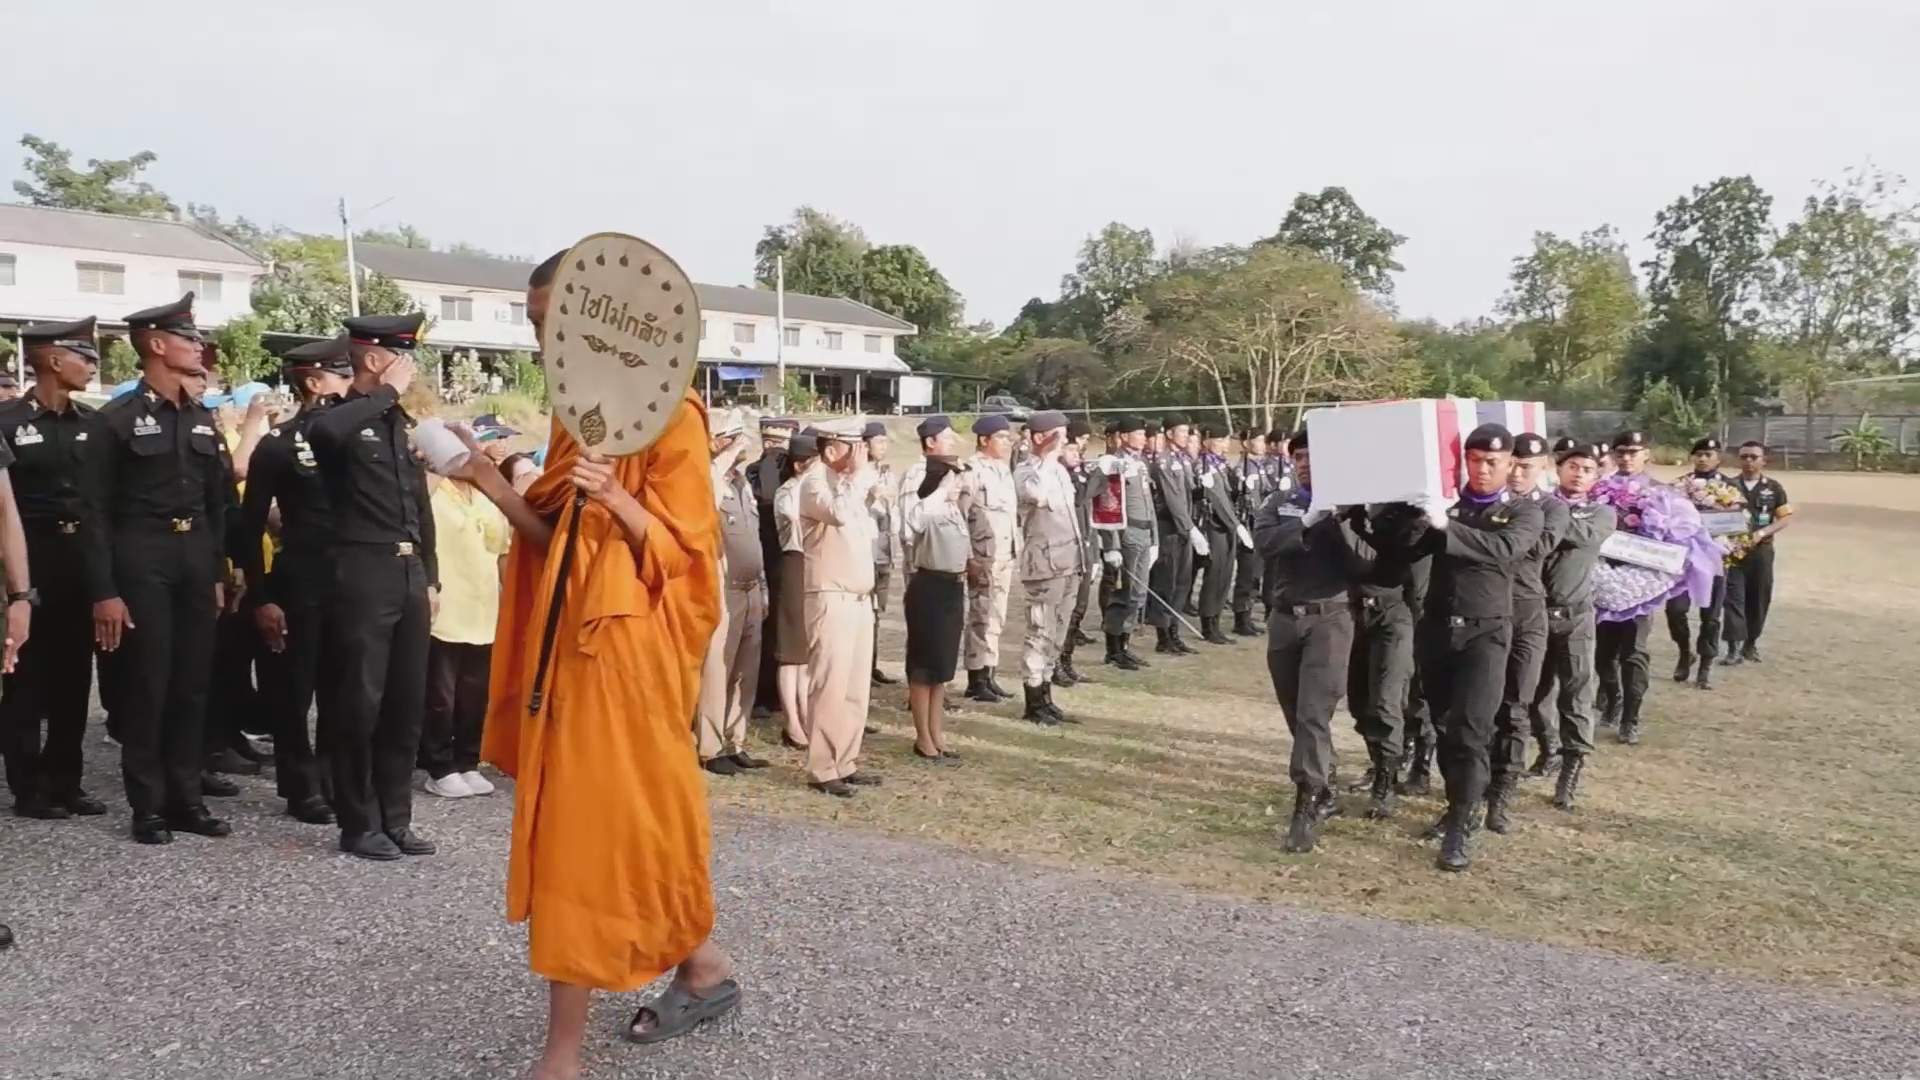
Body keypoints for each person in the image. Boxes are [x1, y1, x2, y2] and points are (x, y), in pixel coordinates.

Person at [474, 252, 738, 1073]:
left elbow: (692, 561)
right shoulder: (574, 419)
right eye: (531, 320)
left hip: (628, 658)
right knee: (616, 829)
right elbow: (560, 549)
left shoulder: (672, 418)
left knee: (589, 836)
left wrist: (622, 501)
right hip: (571, 653)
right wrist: (491, 483)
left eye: (550, 316)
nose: (540, 334)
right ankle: (703, 966)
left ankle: (562, 1055)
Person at [83, 295, 231, 845]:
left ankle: (186, 799)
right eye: (188, 338)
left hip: (193, 559)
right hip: (141, 559)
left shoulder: (200, 417)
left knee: (194, 684)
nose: (199, 347)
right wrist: (104, 590)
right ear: (156, 345)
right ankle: (148, 807)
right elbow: (92, 511)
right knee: (149, 684)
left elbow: (216, 503)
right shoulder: (116, 420)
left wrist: (217, 570)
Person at [307, 311, 437, 861]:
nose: (412, 368)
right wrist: (384, 392)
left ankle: (396, 818)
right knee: (359, 701)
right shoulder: (341, 418)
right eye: (403, 356)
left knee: (405, 705)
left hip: (407, 574)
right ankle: (357, 822)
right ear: (375, 358)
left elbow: (418, 504)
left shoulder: (397, 423)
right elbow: (321, 433)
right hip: (361, 571)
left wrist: (431, 574)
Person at [232, 336, 352, 826]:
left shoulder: (357, 437)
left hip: (351, 580)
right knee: (293, 688)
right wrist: (260, 596)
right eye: (342, 375)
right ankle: (300, 785)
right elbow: (249, 522)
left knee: (342, 688)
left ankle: (331, 778)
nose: (350, 384)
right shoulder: (279, 445)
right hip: (300, 578)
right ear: (314, 381)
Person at [1414, 423, 1543, 872]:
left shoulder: (1523, 513)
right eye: (1474, 460)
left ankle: (1461, 826)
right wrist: (1400, 513)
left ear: (1510, 464)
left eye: (1493, 461)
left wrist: (1445, 526)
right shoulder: (1447, 503)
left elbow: (1503, 550)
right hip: (1436, 629)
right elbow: (1407, 551)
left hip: (1486, 633)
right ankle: (1457, 802)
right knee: (1444, 726)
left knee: (1471, 730)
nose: (1483, 469)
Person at [1, 318, 102, 819]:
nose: (92, 366)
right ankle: (28, 783)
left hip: (77, 557)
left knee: (72, 674)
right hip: (28, 556)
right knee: (25, 676)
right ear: (54, 360)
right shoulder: (9, 422)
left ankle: (67, 778)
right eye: (84, 356)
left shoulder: (91, 423)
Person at [1252, 427, 1362, 853]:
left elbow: (1363, 560)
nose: (1304, 462)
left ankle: (1306, 803)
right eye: (1298, 456)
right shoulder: (1280, 503)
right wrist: (1307, 522)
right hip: (1285, 618)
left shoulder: (1349, 509)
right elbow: (1265, 543)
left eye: (1313, 455)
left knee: (1314, 713)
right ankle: (1326, 777)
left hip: (1330, 619)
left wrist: (1335, 520)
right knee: (1295, 712)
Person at [419, 426, 511, 799]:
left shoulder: (483, 493)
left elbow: (502, 546)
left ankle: (467, 761)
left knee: (475, 694)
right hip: (444, 607)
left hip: (483, 605)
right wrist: (437, 467)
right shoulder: (430, 488)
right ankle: (438, 766)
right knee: (440, 695)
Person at [1528, 442, 1614, 810]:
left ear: (1597, 476)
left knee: (1576, 692)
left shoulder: (1603, 512)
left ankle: (1571, 766)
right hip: (1534, 613)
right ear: (1557, 468)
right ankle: (1548, 750)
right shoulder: (1538, 506)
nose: (1578, 474)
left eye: (1588, 469)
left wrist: (1549, 517)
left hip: (1576, 615)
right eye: (1573, 466)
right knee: (1532, 692)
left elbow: (1579, 535)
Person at [1484, 433, 1564, 834]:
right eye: (1511, 464)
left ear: (1544, 467)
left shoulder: (1551, 509)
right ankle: (1476, 782)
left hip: (1526, 614)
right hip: (1485, 612)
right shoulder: (1485, 505)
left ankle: (1502, 793)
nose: (1516, 473)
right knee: (1480, 705)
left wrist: (1486, 541)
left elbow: (1531, 549)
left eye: (1526, 467)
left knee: (1515, 706)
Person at [799, 418, 881, 796]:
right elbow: (838, 513)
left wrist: (863, 478)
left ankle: (845, 759)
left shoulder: (851, 484)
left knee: (854, 685)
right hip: (830, 595)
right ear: (832, 449)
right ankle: (822, 766)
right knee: (829, 684)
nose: (860, 454)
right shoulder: (815, 482)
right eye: (853, 446)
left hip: (859, 596)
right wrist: (859, 477)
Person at [1343, 492, 1431, 821]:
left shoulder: (1404, 513)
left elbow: (1412, 557)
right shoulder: (1345, 510)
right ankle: (1379, 762)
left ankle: (1386, 781)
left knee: (1387, 701)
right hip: (1353, 613)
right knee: (1359, 702)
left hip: (1395, 615)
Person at [694, 410, 769, 776]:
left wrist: (764, 588)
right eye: (733, 436)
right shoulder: (705, 475)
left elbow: (752, 537)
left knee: (745, 668)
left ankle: (735, 739)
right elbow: (706, 497)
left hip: (751, 585)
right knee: (716, 668)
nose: (742, 442)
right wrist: (722, 458)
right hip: (722, 587)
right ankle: (709, 745)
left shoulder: (740, 481)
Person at [1012, 410, 1086, 725]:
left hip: (1068, 562)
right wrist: (1043, 457)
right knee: (1040, 633)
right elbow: (1035, 495)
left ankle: (1046, 694)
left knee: (1057, 634)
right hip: (1043, 565)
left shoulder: (1059, 471)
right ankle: (1033, 699)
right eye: (1059, 434)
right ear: (1041, 437)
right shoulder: (1026, 471)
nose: (1065, 440)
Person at [902, 455, 970, 761]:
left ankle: (936, 733)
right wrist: (940, 489)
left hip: (953, 587)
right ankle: (922, 737)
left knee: (941, 668)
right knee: (923, 667)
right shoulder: (925, 507)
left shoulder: (954, 509)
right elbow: (913, 524)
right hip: (929, 587)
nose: (959, 485)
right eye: (954, 478)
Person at [1594, 430, 1658, 744]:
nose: (1627, 457)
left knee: (1634, 654)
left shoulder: (1660, 493)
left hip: (1641, 586)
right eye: (1621, 451)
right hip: (1603, 580)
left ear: (1647, 454)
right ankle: (1613, 698)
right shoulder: (1599, 489)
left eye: (1634, 451)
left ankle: (1631, 717)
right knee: (1602, 654)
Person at [1666, 436, 1732, 688]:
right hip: (1681, 560)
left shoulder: (1730, 488)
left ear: (1718, 458)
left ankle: (1705, 666)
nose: (1703, 459)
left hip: (1714, 559)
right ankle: (1685, 652)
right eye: (1699, 454)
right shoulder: (1677, 486)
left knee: (1711, 615)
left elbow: (1739, 524)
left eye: (1708, 454)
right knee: (1675, 610)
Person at [961, 414, 1018, 702]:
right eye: (1002, 437)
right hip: (982, 555)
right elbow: (961, 515)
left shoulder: (1003, 470)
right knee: (980, 616)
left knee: (997, 616)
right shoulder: (971, 470)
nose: (1007, 443)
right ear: (984, 440)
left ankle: (990, 672)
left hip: (1004, 553)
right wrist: (969, 556)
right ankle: (976, 676)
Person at [1722, 441, 1792, 666]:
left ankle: (1750, 643)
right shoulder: (1727, 487)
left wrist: (1762, 533)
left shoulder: (1773, 488)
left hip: (1761, 551)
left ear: (1764, 460)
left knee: (1759, 598)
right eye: (1744, 457)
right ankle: (1733, 647)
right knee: (1733, 599)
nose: (1748, 461)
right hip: (1732, 552)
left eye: (1753, 457)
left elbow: (1784, 518)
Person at [1096, 415, 1157, 670]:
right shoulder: (1114, 464)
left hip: (1144, 532)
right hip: (1127, 532)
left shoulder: (1140, 463)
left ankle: (1126, 644)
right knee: (1125, 592)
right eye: (1138, 434)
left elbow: (1148, 502)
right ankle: (1113, 648)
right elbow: (1107, 506)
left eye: (1144, 434)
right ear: (1123, 437)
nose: (1143, 438)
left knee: (1139, 594)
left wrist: (1155, 538)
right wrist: (1111, 545)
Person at [748, 417, 797, 716]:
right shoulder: (757, 470)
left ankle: (780, 692)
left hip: (786, 556)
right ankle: (763, 693)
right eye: (770, 442)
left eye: (780, 444)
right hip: (764, 556)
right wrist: (770, 461)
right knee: (765, 625)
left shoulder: (793, 471)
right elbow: (766, 494)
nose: (774, 449)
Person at [770, 434, 817, 749]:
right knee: (791, 653)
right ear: (800, 465)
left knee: (805, 653)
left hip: (812, 566)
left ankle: (805, 712)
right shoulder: (788, 492)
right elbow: (795, 526)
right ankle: (791, 721)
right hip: (792, 564)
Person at [1146, 414, 1201, 655]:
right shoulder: (1163, 462)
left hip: (1185, 528)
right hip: (1170, 529)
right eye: (1182, 431)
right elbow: (1172, 500)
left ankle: (1174, 632)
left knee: (1182, 583)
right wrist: (1189, 528)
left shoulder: (1184, 460)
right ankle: (1163, 635)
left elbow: (1189, 494)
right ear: (1169, 434)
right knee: (1165, 583)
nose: (1187, 436)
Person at [1055, 419, 1099, 686]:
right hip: (1066, 550)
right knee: (1064, 611)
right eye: (1071, 449)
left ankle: (1067, 660)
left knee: (1079, 607)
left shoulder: (1079, 472)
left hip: (1084, 545)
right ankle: (1056, 663)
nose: (1077, 454)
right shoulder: (1061, 477)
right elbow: (1081, 498)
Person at [1192, 427, 1244, 645]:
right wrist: (1235, 524)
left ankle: (1216, 619)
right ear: (1207, 441)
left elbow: (1229, 495)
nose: (1225, 445)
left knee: (1225, 574)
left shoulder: (1221, 464)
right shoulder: (1203, 465)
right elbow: (1216, 500)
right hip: (1214, 525)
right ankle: (1208, 623)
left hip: (1227, 525)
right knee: (1215, 574)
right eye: (1220, 440)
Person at [1230, 429, 1276, 637]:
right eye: (1257, 440)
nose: (1261, 444)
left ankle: (1247, 616)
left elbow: (1267, 490)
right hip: (1247, 525)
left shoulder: (1260, 467)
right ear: (1246, 443)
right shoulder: (1241, 468)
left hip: (1260, 524)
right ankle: (1240, 618)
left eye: (1262, 440)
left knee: (1256, 574)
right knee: (1246, 574)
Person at [864, 421, 899, 687]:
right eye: (879, 442)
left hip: (884, 550)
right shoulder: (860, 475)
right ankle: (863, 664)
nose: (884, 447)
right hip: (867, 552)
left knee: (877, 613)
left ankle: (873, 664)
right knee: (865, 612)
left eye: (886, 442)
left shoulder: (885, 473)